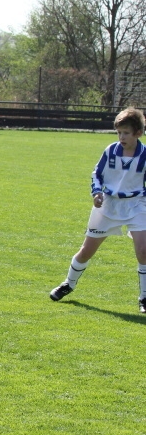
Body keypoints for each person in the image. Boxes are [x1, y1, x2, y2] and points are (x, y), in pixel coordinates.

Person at [50, 107, 146, 312]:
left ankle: (144, 298)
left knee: (143, 251)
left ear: (138, 133)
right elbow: (97, 174)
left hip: (137, 205)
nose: (121, 137)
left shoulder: (145, 155)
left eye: (126, 133)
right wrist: (96, 193)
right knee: (86, 251)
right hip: (109, 205)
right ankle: (68, 284)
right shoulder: (110, 150)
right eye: (119, 132)